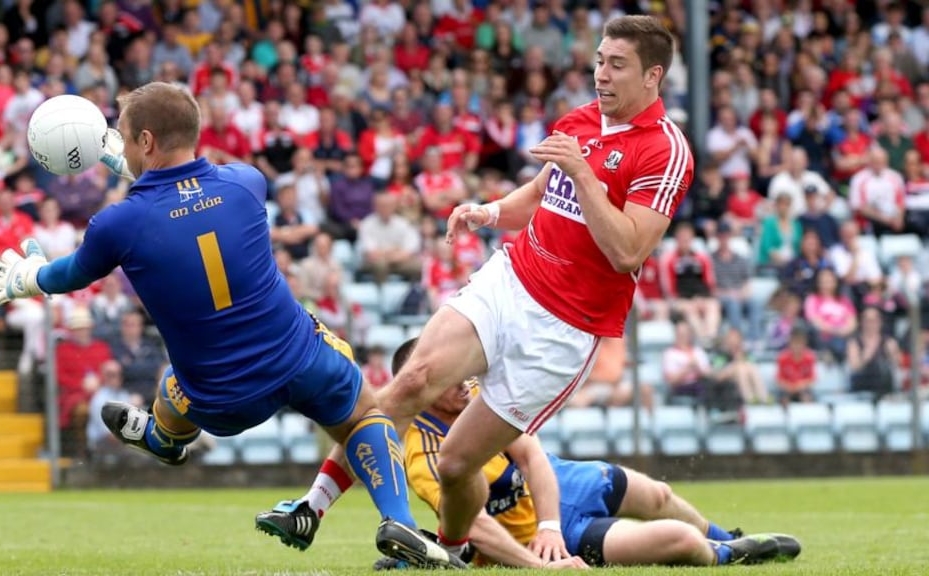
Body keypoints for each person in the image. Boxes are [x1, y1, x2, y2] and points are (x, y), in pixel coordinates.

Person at [258, 16, 695, 564]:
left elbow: (627, 250)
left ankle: (452, 548)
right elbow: (542, 192)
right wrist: (489, 211)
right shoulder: (580, 121)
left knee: (458, 465)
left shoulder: (665, 150)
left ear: (653, 76)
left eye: (616, 64)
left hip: (563, 329)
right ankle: (311, 507)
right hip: (511, 278)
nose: (600, 73)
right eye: (600, 60)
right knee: (410, 380)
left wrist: (585, 175)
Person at [0, 82, 462, 570]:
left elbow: (72, 273)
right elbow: (188, 192)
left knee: (173, 387)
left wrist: (29, 278)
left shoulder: (118, 224)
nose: (121, 145)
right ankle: (396, 518)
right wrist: (125, 158)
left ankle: (164, 441)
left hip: (223, 399)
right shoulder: (246, 182)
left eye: (124, 137)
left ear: (145, 143)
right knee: (364, 414)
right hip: (300, 358)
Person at [267, 339, 802, 569]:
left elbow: (533, 453)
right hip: (535, 536)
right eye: (453, 379)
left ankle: (728, 537)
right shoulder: (421, 453)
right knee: (681, 542)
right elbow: (474, 525)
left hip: (561, 488)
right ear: (424, 389)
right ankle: (729, 556)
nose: (467, 381)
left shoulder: (474, 397)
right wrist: (540, 557)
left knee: (659, 493)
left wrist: (549, 518)